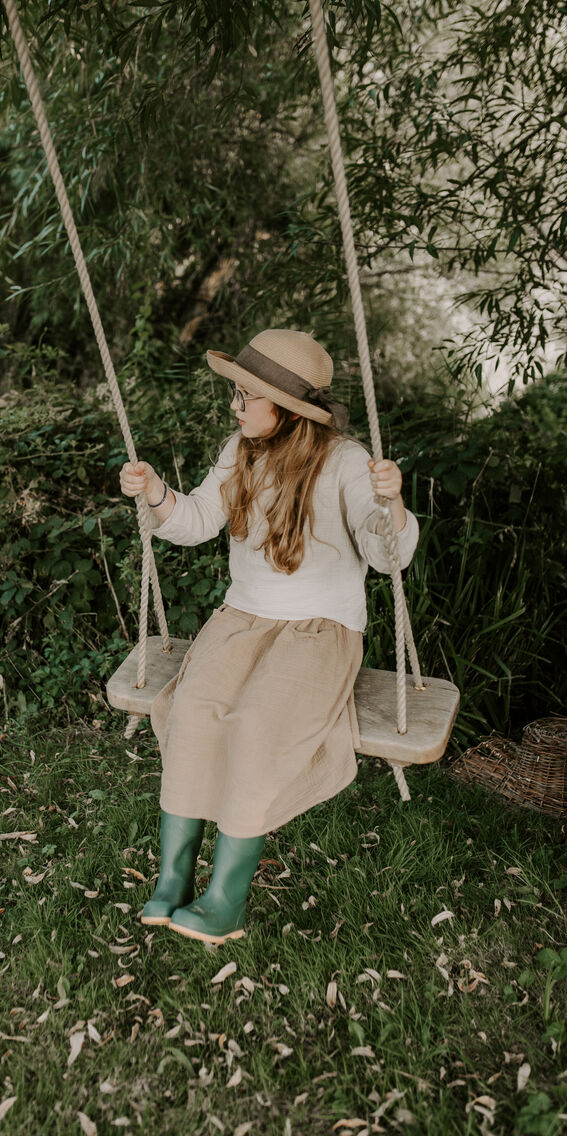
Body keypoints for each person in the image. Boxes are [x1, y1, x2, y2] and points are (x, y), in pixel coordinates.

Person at [119, 329, 418, 945]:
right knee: (196, 709)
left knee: (257, 721)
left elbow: (387, 555)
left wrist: (391, 506)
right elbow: (198, 519)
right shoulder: (240, 451)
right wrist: (155, 494)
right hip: (243, 618)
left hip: (321, 629)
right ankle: (172, 880)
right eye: (236, 393)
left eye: (246, 397)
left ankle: (225, 897)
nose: (236, 407)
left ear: (286, 405)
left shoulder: (346, 463)